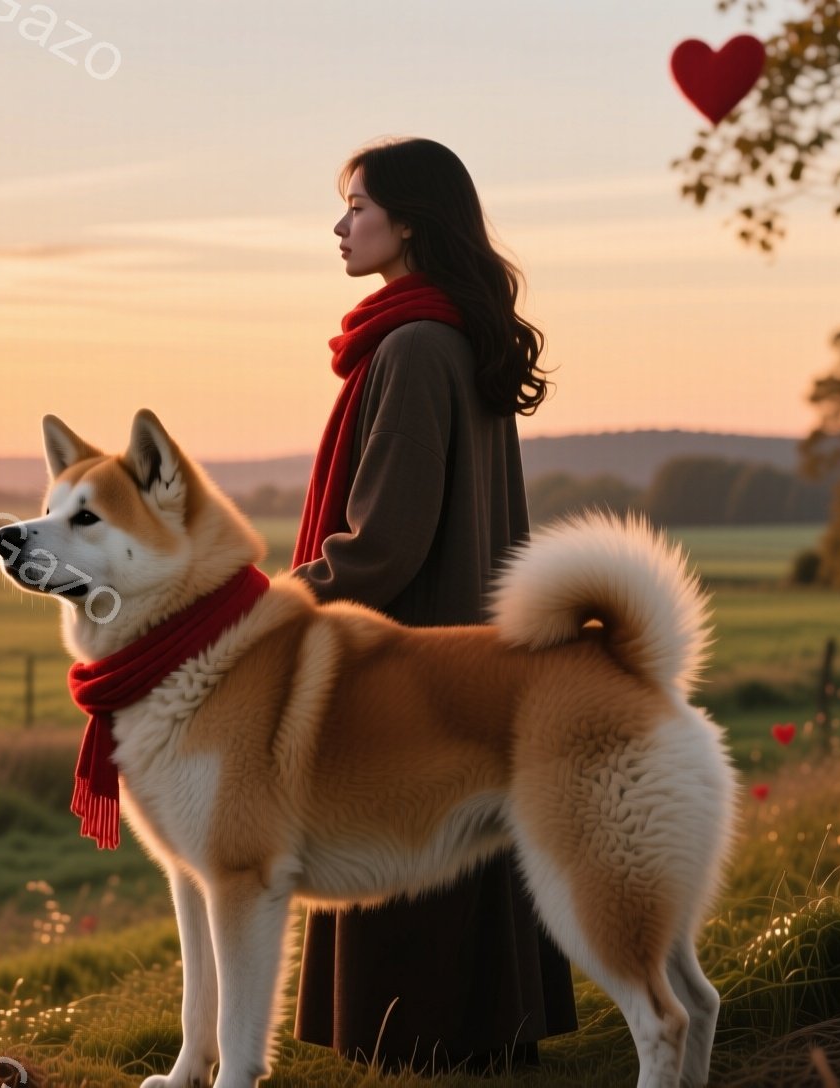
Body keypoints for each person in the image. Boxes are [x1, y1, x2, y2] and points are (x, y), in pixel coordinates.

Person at [287, 135, 580, 1076]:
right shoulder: (460, 332)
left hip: (411, 661)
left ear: (409, 222)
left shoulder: (413, 346)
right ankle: (485, 1036)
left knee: (407, 854)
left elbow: (384, 545)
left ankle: (417, 1042)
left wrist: (267, 603)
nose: (340, 226)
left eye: (359, 206)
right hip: (477, 656)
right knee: (469, 847)